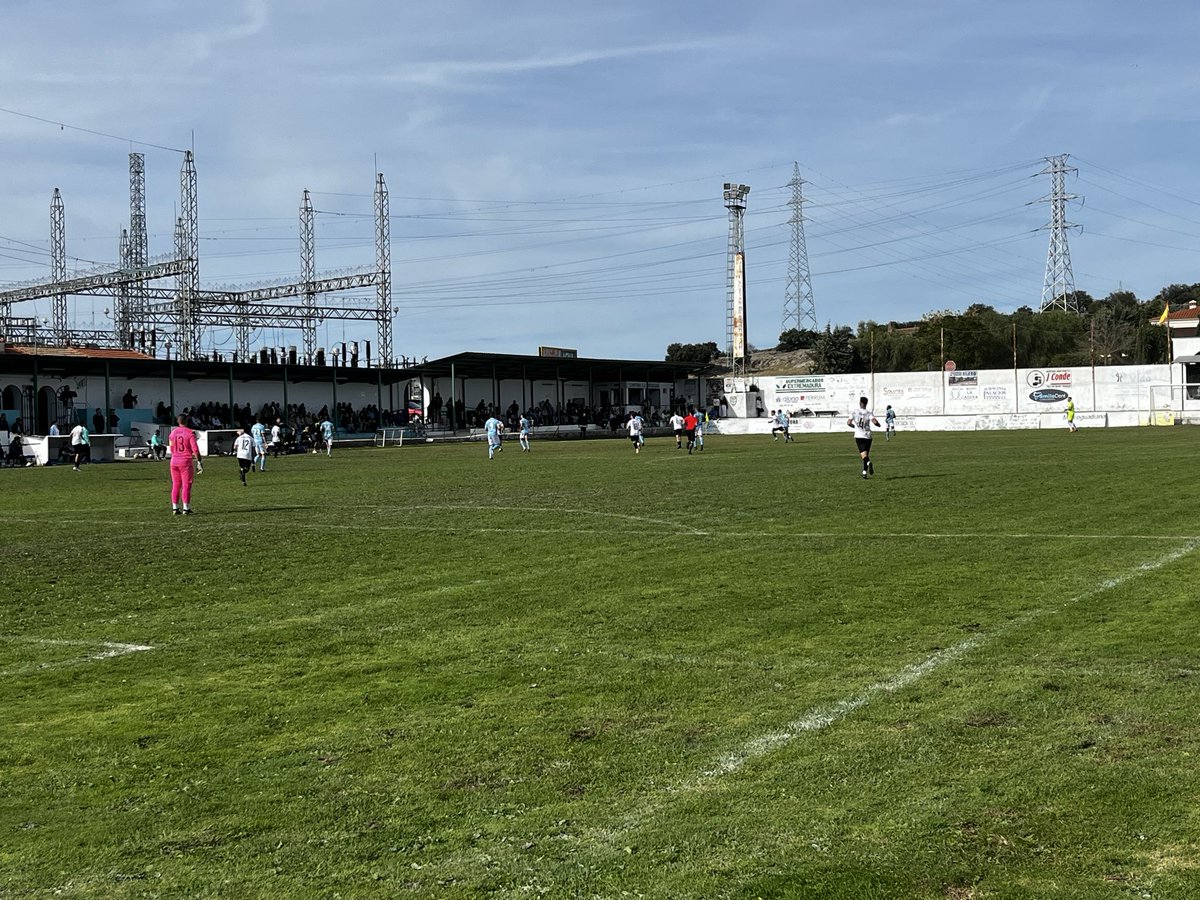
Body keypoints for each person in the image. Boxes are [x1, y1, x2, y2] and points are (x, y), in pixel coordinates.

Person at [168, 413, 201, 515]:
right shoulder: (189, 433)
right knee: (186, 485)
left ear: (178, 422)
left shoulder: (172, 433)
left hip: (174, 461)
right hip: (185, 461)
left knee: (176, 485)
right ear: (186, 421)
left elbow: (171, 448)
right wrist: (199, 461)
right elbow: (195, 449)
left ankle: (175, 507)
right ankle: (186, 508)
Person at [847, 396, 881, 479]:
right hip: (868, 436)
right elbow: (874, 421)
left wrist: (854, 426)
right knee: (866, 454)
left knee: (864, 456)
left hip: (859, 436)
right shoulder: (868, 413)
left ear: (860, 403)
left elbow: (848, 422)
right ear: (866, 403)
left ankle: (869, 463)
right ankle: (864, 472)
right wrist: (878, 425)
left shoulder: (855, 412)